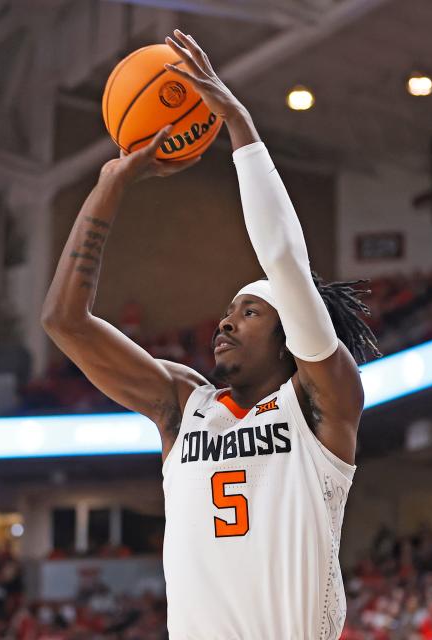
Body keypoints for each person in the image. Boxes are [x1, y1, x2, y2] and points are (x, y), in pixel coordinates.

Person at [41, 30, 379, 639]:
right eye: (228, 310)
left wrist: (239, 126)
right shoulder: (182, 404)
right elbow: (64, 322)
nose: (225, 321)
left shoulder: (321, 408)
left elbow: (284, 260)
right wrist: (108, 188)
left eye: (249, 312)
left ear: (289, 338)